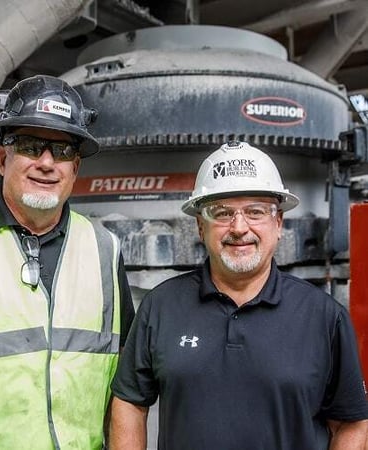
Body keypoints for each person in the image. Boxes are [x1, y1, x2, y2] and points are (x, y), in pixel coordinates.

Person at [0, 74, 134, 449]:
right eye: (32, 147)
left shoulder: (105, 250)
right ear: (3, 159)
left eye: (63, 151)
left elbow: (126, 387)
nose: (48, 163)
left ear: (75, 170)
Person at [109, 141, 368, 449]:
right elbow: (129, 402)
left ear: (278, 222)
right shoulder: (161, 306)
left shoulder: (324, 316)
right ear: (200, 227)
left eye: (255, 212)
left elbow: (351, 423)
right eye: (222, 213)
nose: (239, 228)